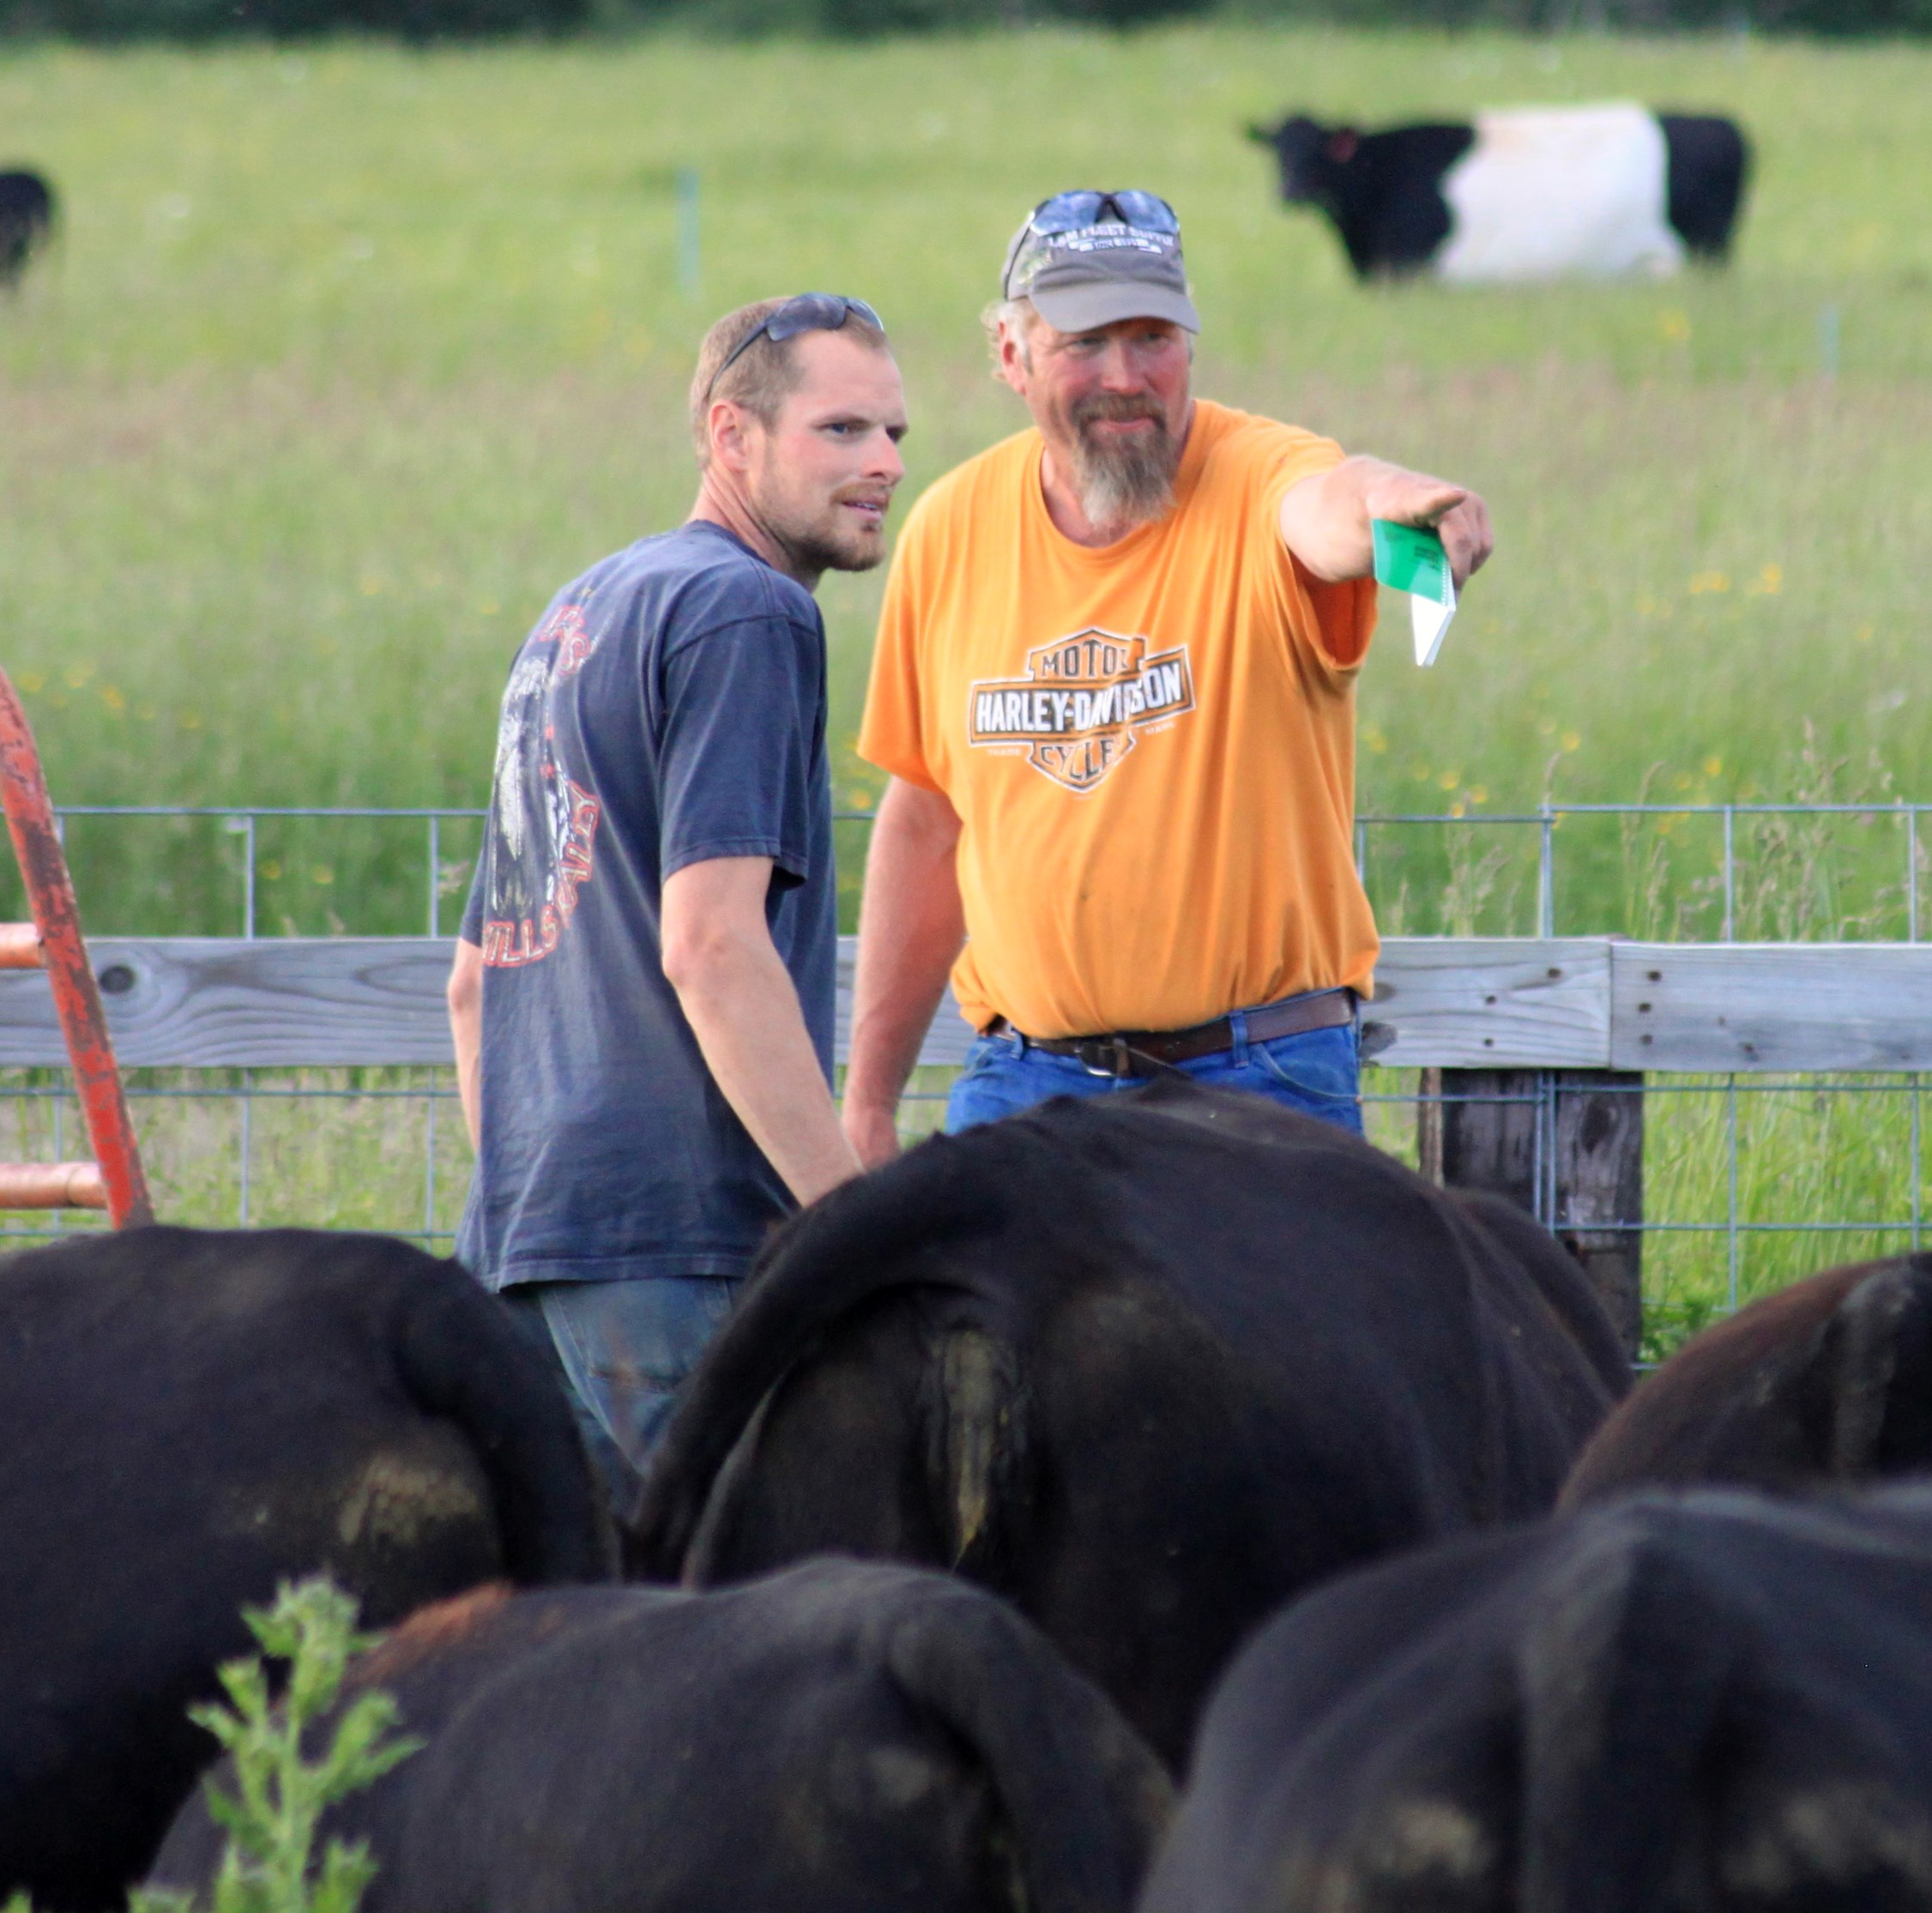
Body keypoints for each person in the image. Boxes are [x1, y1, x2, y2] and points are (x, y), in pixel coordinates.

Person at [842, 190, 1491, 1162]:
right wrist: (867, 1104)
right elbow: (928, 819)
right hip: (1024, 1080)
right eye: (1085, 342)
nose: (1125, 376)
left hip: (1256, 1078)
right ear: (1013, 358)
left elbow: (1332, 508)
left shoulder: (1262, 476)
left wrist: (1405, 505)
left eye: (1154, 336)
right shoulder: (949, 528)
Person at [445, 292, 904, 1500]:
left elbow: (471, 982)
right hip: (686, 1244)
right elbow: (710, 946)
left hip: (530, 1244)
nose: (887, 466)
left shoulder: (576, 615)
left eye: (895, 434)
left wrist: (539, 1208)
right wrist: (856, 1231)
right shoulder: (747, 612)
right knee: (752, 1629)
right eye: (844, 431)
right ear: (730, 436)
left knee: (593, 1637)